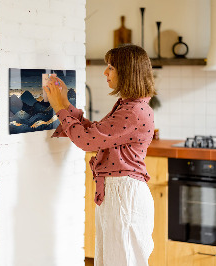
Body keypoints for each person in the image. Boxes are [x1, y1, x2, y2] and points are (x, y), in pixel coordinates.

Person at [44, 44, 156, 266]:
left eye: (111, 67)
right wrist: (65, 104)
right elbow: (95, 133)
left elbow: (87, 141)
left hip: (124, 195)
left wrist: (59, 107)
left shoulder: (133, 111)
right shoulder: (129, 106)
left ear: (127, 72)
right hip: (119, 193)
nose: (105, 72)